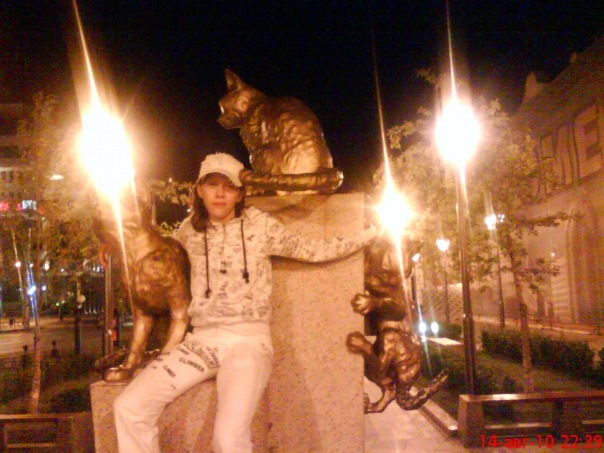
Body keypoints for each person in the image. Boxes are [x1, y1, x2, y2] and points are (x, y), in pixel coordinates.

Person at [113, 153, 376, 453]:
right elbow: (158, 261)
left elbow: (314, 249)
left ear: (240, 193)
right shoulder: (187, 232)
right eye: (213, 185)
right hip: (200, 343)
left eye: (229, 186)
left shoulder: (259, 226)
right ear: (200, 190)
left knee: (228, 439)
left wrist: (369, 235)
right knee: (129, 407)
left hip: (248, 343)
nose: (220, 193)